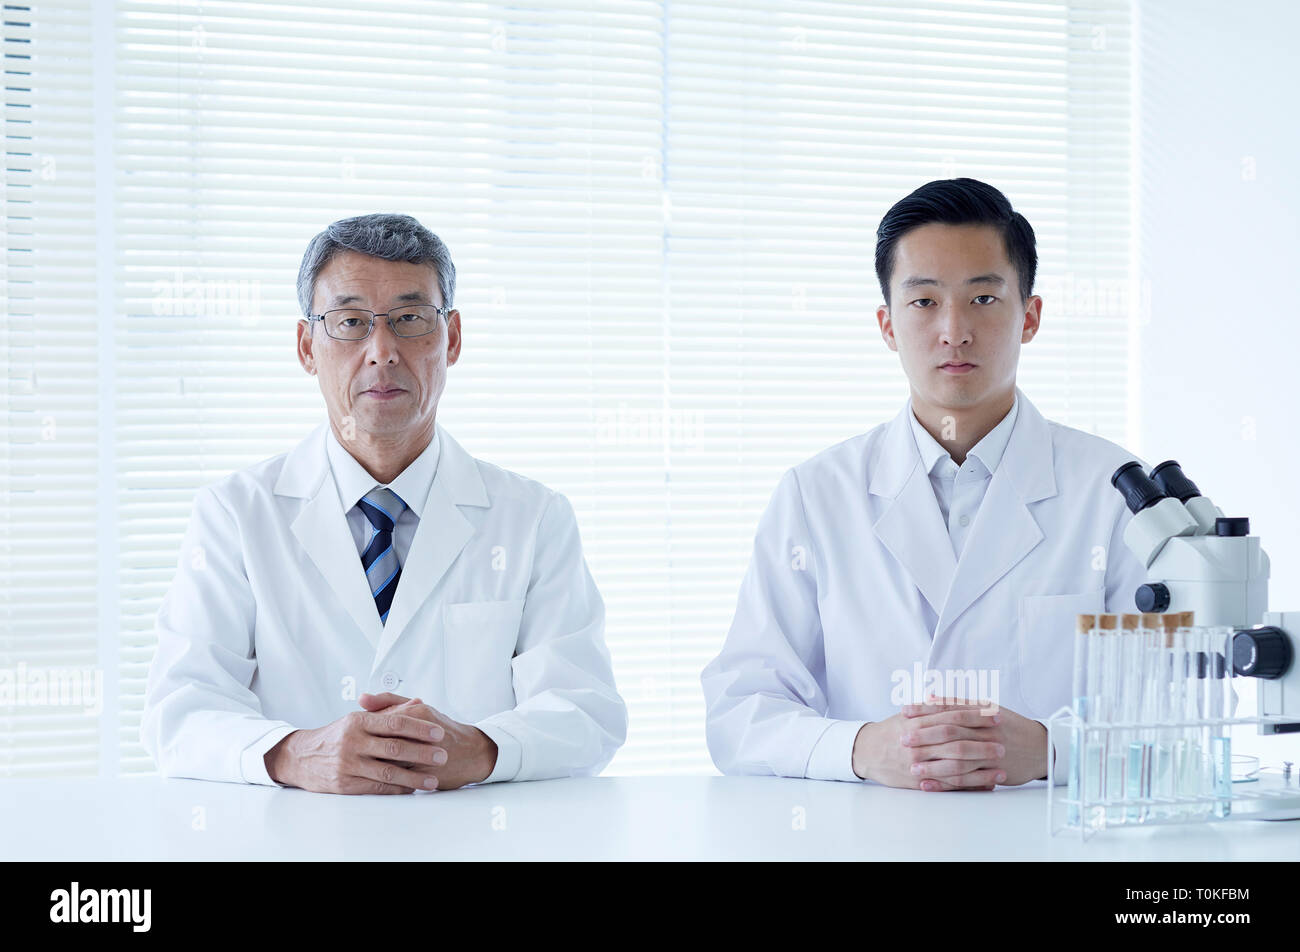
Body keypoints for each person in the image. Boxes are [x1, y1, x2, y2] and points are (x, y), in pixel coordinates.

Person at [141, 213, 627, 794]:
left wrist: (480, 749)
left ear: (451, 340)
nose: (382, 350)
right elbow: (180, 711)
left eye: (410, 319)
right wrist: (294, 754)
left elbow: (586, 712)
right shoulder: (235, 515)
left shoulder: (533, 518)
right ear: (306, 347)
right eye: (350, 322)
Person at [701, 178, 1146, 790]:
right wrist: (862, 748)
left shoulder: (1118, 494)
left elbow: (1177, 713)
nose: (954, 330)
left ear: (1031, 317)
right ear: (887, 324)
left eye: (984, 299)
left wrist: (1051, 749)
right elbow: (741, 711)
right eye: (924, 302)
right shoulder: (816, 495)